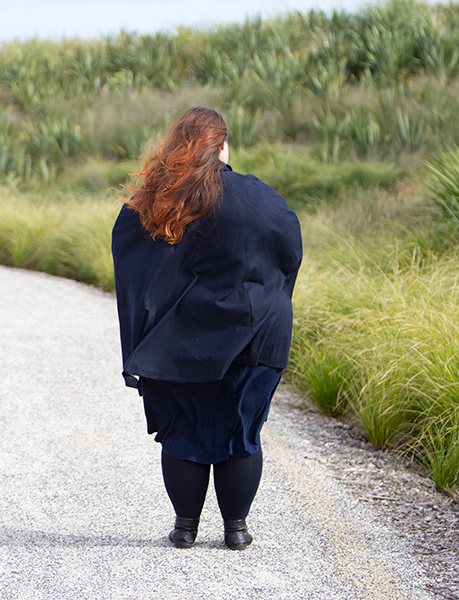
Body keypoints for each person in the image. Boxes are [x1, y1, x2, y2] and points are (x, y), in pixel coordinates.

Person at [111, 106, 302, 550]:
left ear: (176, 145)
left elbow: (131, 261)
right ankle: (235, 530)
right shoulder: (262, 198)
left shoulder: (157, 201)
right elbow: (288, 252)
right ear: (223, 145)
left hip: (177, 342)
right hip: (255, 335)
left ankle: (185, 528)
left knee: (183, 431)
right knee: (241, 433)